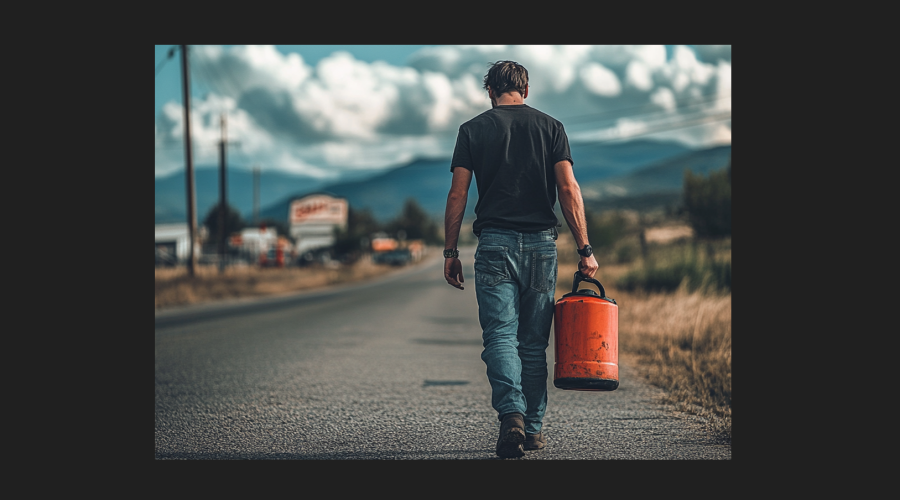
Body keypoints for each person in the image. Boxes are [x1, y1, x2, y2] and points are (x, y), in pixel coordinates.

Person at [442, 60, 599, 458]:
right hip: (542, 246)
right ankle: (531, 428)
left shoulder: (472, 130)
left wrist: (450, 251)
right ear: (525, 91)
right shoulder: (551, 127)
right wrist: (585, 249)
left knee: (499, 335)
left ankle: (510, 414)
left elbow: (458, 194)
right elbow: (568, 188)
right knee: (532, 343)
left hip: (494, 244)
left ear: (490, 92)